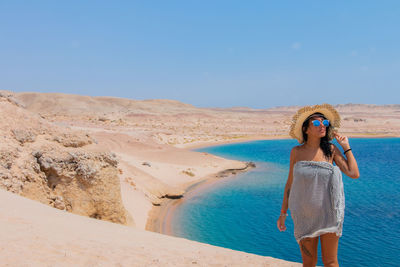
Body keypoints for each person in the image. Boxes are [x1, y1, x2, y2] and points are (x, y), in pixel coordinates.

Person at [277, 104, 359, 267]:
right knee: (308, 262)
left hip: (329, 213)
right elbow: (290, 184)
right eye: (316, 123)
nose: (322, 125)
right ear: (306, 129)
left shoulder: (331, 150)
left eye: (325, 122)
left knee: (330, 262)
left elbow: (353, 173)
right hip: (304, 215)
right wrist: (283, 213)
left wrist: (346, 147)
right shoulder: (296, 152)